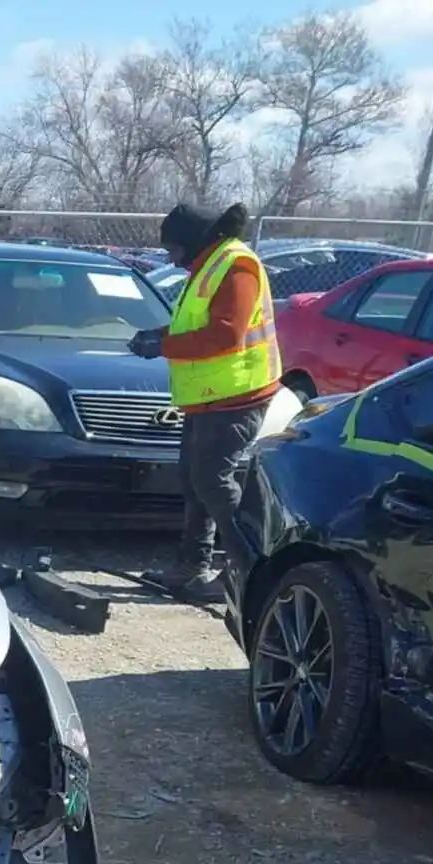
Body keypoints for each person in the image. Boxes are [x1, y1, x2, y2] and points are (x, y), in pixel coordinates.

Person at [127, 201, 281, 603]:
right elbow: (193, 326)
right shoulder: (209, 267)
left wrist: (162, 345)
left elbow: (225, 334)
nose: (171, 259)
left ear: (194, 241)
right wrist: (158, 335)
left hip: (237, 393)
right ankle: (191, 568)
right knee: (196, 481)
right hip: (209, 398)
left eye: (173, 249)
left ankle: (244, 571)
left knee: (214, 482)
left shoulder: (236, 266)